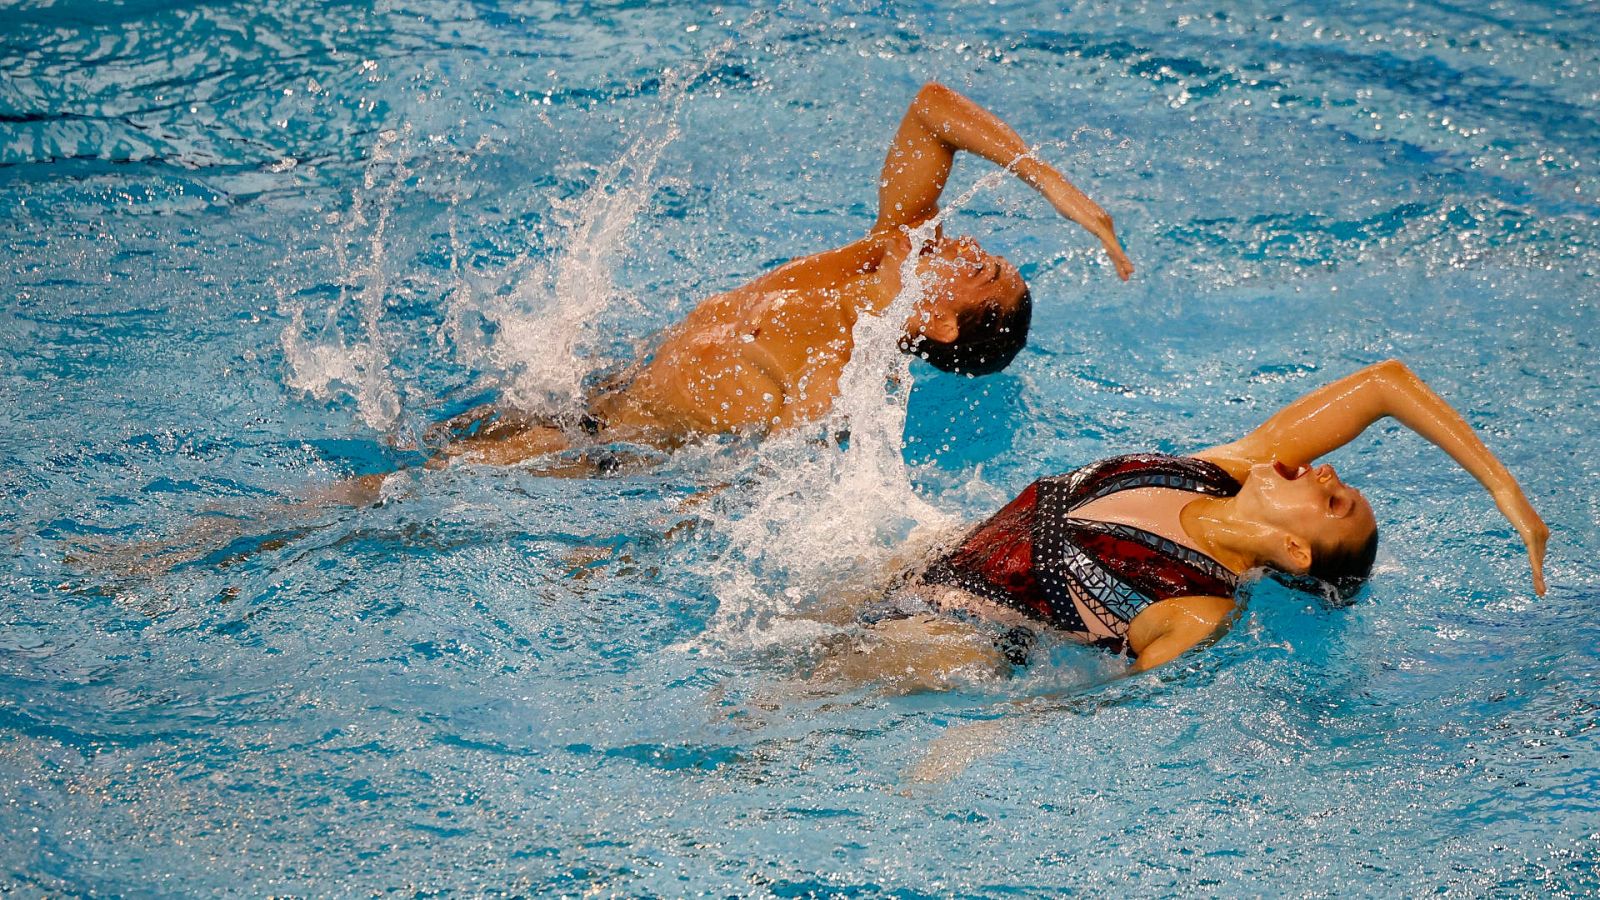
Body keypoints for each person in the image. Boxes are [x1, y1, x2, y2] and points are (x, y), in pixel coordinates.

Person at [428, 82, 1133, 468]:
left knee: (408, 487)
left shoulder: (849, 377)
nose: (973, 246)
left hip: (599, 455)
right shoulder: (883, 249)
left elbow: (755, 486)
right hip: (592, 385)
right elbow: (930, 110)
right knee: (420, 447)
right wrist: (1045, 180)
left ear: (942, 321)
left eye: (982, 273)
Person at [812, 359, 1548, 689]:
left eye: (1333, 501)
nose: (1326, 470)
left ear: (1295, 550)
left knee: (767, 712)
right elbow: (1385, 382)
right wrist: (1504, 489)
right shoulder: (1220, 466)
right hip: (916, 562)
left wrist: (975, 746)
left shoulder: (1199, 608)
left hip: (951, 645)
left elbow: (1094, 703)